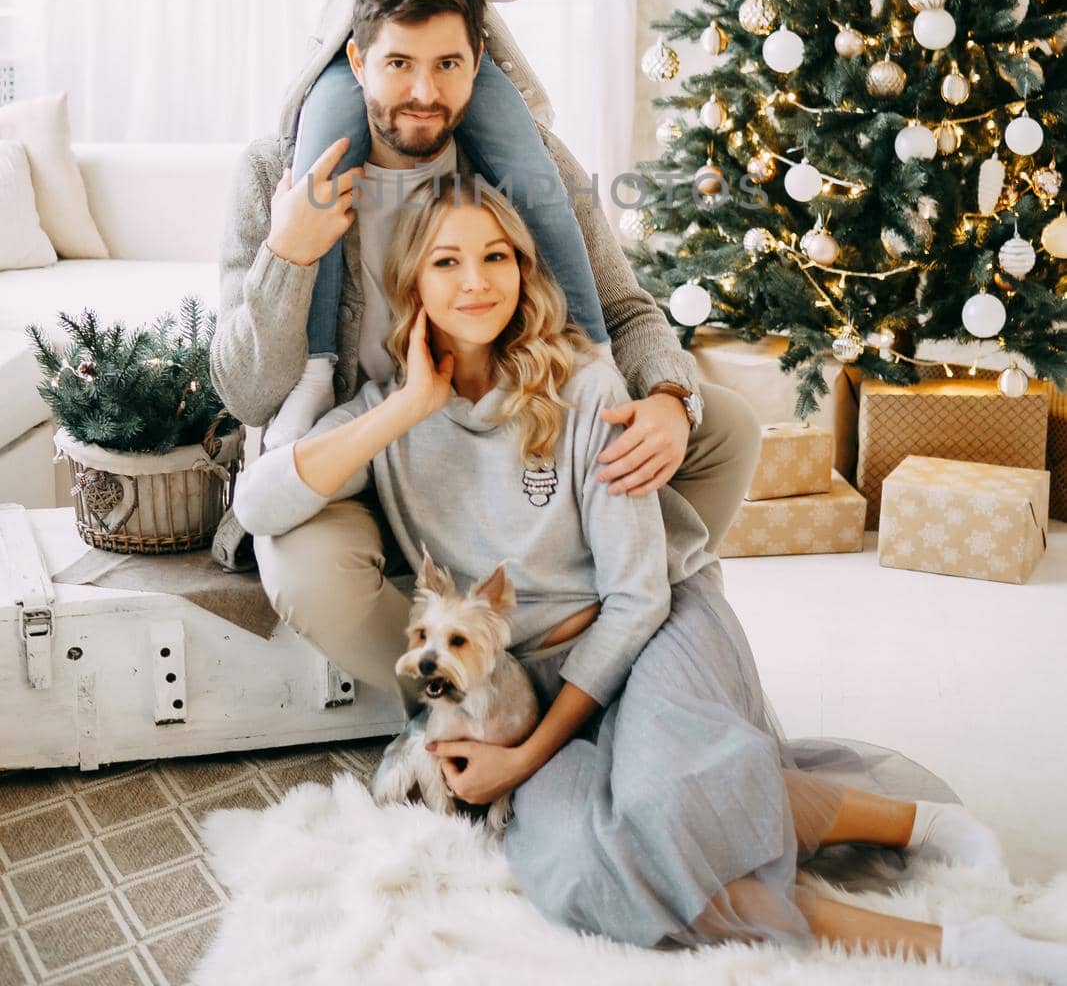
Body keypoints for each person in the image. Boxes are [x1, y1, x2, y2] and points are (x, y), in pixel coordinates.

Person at [232, 175, 1063, 980]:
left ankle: (939, 887)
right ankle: (953, 921)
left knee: (671, 809)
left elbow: (637, 596)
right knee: (585, 875)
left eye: (497, 256)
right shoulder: (387, 413)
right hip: (526, 680)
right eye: (446, 261)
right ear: (411, 281)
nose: (477, 281)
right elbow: (262, 504)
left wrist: (522, 763)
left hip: (651, 631)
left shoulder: (586, 386)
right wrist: (408, 407)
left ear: (524, 270)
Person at [209, 0, 761, 674]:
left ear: (478, 64)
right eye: (398, 64)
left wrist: (669, 398)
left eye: (448, 65)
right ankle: (471, 702)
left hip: (508, 435)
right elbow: (247, 394)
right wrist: (290, 253)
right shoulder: (273, 174)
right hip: (363, 446)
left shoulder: (525, 166)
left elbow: (624, 311)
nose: (423, 92)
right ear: (356, 62)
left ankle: (608, 626)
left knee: (725, 426)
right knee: (305, 569)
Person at [269, 0, 608, 450]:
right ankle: (317, 369)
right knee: (320, 176)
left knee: (534, 171)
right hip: (354, 55)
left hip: (460, 57)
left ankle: (593, 350)